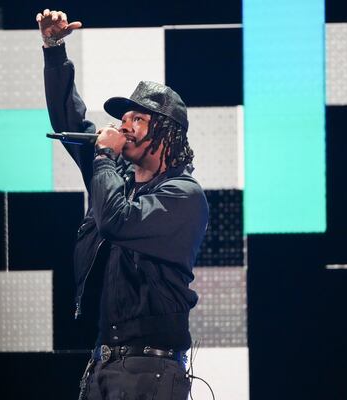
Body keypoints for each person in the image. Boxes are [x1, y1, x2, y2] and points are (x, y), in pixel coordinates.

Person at [37, 9, 209, 400]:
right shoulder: (113, 176)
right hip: (102, 366)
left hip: (151, 372)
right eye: (122, 118)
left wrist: (102, 159)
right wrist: (54, 50)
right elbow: (72, 119)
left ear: (166, 133)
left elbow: (117, 222)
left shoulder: (183, 196)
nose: (121, 126)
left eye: (137, 119)